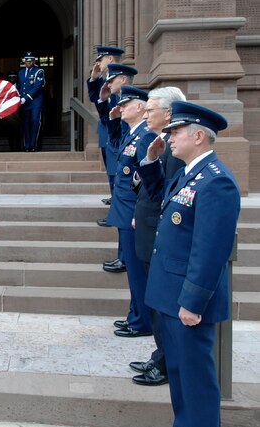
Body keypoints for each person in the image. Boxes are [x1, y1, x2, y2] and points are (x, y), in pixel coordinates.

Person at [137, 101, 240, 427]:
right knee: (181, 379)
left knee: (196, 384)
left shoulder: (215, 181)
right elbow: (156, 196)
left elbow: (210, 250)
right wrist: (152, 160)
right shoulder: (187, 173)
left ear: (198, 136)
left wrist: (193, 303)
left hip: (187, 302)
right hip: (170, 295)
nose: (169, 137)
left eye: (175, 131)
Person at [127, 87, 186, 387]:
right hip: (149, 226)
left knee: (163, 305)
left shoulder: (177, 148)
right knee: (157, 303)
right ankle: (161, 355)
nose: (146, 114)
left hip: (159, 233)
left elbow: (169, 195)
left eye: (150, 110)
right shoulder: (163, 142)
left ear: (168, 112)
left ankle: (165, 363)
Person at [103, 86, 156, 338]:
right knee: (133, 272)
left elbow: (147, 180)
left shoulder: (145, 136)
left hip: (132, 211)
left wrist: (138, 210)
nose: (120, 107)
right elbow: (113, 147)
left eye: (126, 104)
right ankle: (134, 314)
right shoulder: (132, 134)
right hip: (124, 209)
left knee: (137, 272)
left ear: (141, 107)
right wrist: (113, 120)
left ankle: (141, 321)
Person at [97, 63, 138, 273]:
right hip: (120, 161)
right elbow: (112, 131)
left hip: (129, 177)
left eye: (112, 80)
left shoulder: (132, 103)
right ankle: (123, 256)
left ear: (122, 79)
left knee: (126, 220)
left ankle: (124, 257)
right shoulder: (117, 101)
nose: (108, 83)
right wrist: (103, 102)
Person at [86, 45, 124, 205]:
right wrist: (94, 79)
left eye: (100, 60)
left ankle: (117, 199)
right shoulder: (104, 80)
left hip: (115, 130)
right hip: (106, 130)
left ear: (110, 58)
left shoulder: (118, 80)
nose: (98, 64)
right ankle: (114, 196)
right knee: (110, 169)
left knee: (117, 168)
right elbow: (94, 98)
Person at [17, 51, 45, 152]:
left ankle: (34, 145)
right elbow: (20, 86)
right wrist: (19, 96)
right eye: (27, 61)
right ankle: (27, 146)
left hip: (35, 102)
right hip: (24, 102)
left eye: (30, 61)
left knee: (35, 122)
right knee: (26, 123)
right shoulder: (20, 72)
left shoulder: (39, 71)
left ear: (34, 61)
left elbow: (37, 87)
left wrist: (26, 98)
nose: (28, 63)